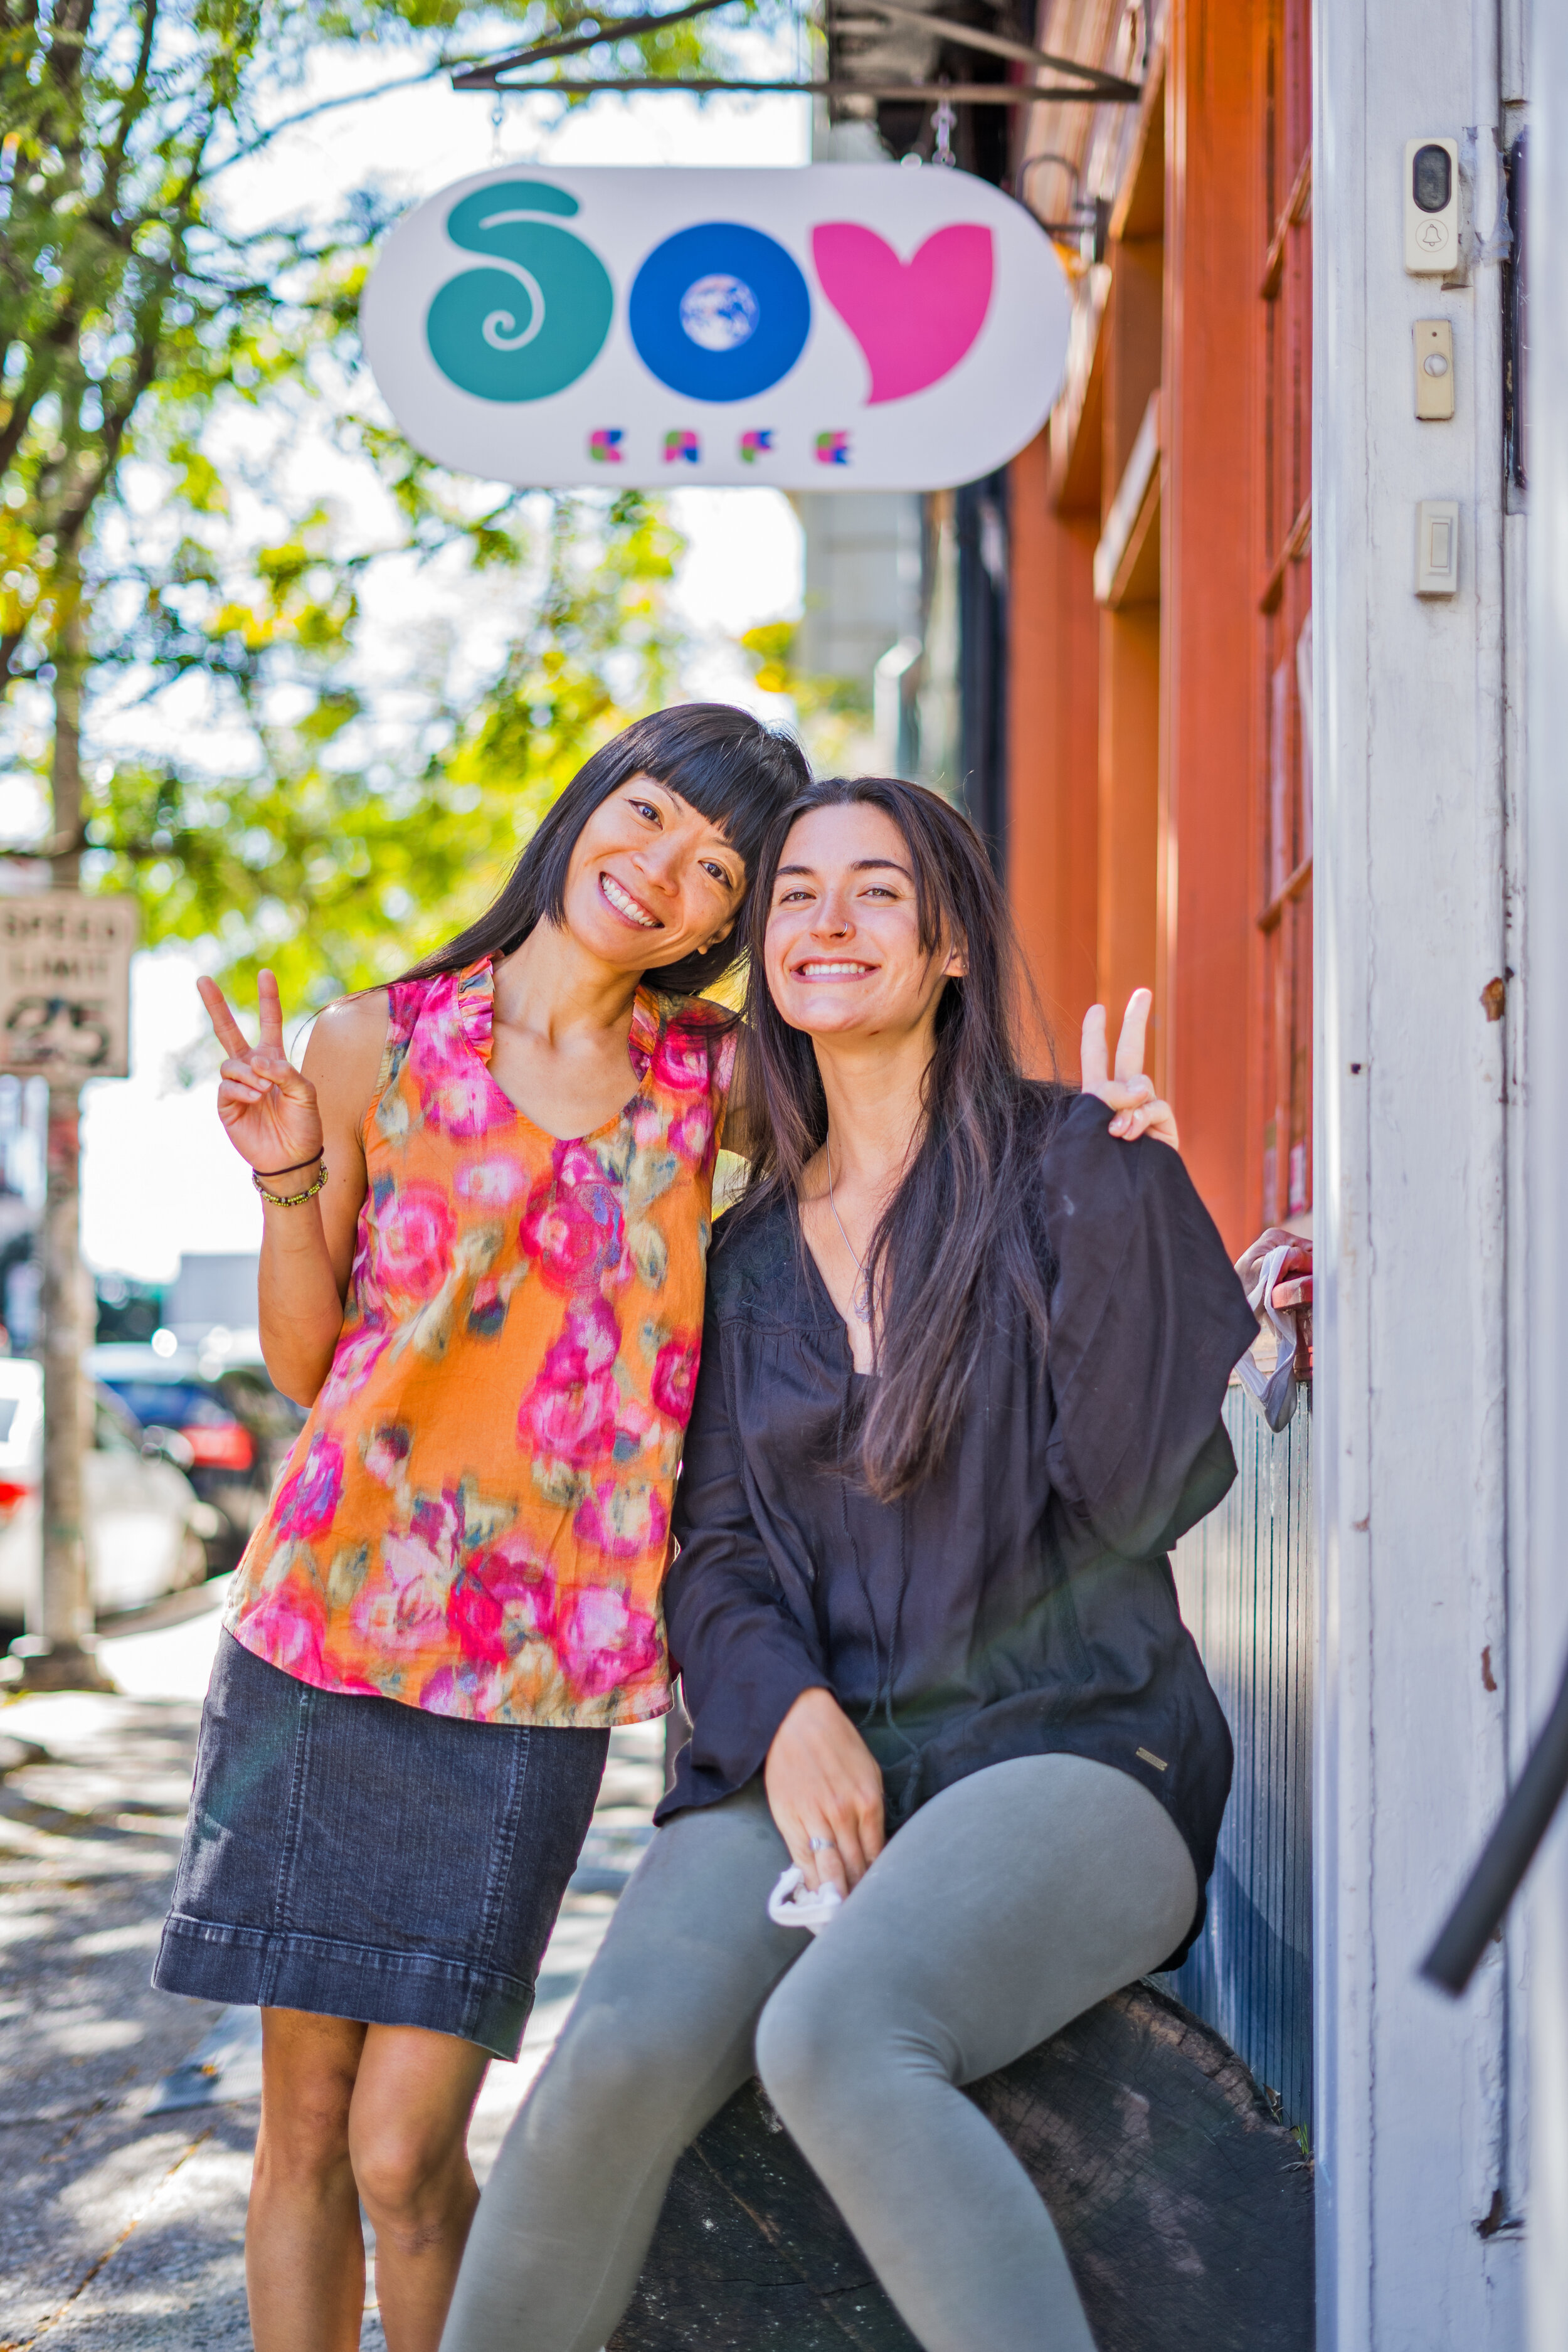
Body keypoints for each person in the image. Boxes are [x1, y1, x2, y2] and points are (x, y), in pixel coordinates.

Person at [441, 775, 1261, 2352]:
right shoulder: (736, 1249)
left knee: (838, 2032)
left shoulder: (1065, 1165)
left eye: (876, 890)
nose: (824, 920)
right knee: (601, 2066)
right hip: (805, 1748)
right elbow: (714, 1549)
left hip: (1076, 1746)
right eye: (795, 894)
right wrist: (790, 1716)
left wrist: (1125, 1198)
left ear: (948, 942)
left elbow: (1137, 1494)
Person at [152, 704, 810, 2352]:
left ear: (729, 922)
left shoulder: (711, 1081)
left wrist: (1110, 1158)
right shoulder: (378, 1037)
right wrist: (290, 1174)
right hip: (324, 1635)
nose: (662, 871)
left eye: (714, 869)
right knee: (303, 2128)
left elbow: (903, 1146)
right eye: (647, 816)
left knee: (404, 2146)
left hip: (532, 1678)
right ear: (588, 803)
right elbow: (312, 1365)